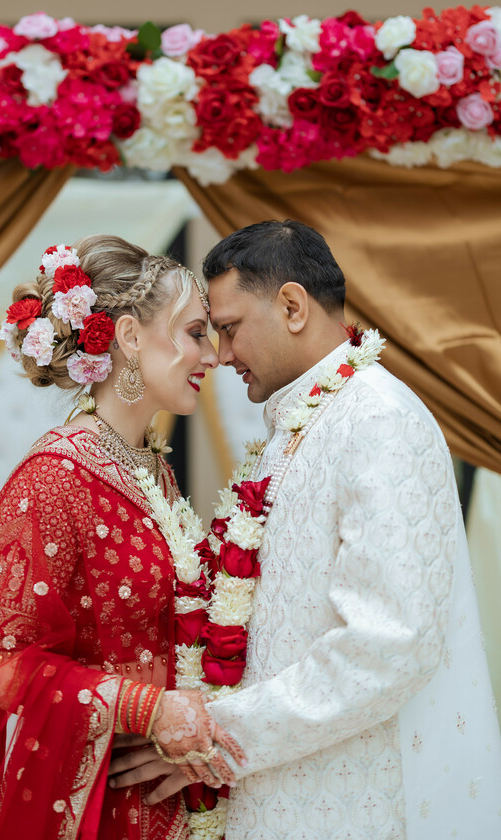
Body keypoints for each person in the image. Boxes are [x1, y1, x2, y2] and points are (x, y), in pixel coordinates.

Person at [0, 235, 245, 840]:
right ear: (127, 338)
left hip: (169, 786)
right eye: (196, 333)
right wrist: (144, 706)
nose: (214, 355)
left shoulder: (152, 469)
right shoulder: (54, 477)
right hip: (96, 800)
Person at [196, 220, 501, 839]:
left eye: (229, 329)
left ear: (291, 306)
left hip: (357, 796)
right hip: (288, 783)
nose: (221, 355)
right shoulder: (303, 421)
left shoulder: (377, 419)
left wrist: (224, 733)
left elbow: (389, 639)